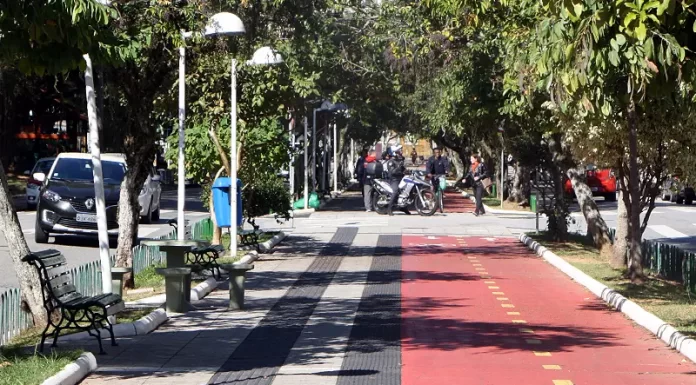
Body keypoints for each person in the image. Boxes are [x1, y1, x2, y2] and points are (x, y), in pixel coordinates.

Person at [385, 146, 410, 215]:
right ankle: (389, 208)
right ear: (394, 153)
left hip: (401, 178)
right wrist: (400, 169)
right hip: (394, 179)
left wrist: (408, 171)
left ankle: (403, 207)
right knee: (395, 191)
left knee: (407, 191)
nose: (400, 152)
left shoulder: (399, 161)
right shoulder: (390, 162)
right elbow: (392, 172)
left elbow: (403, 169)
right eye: (398, 151)